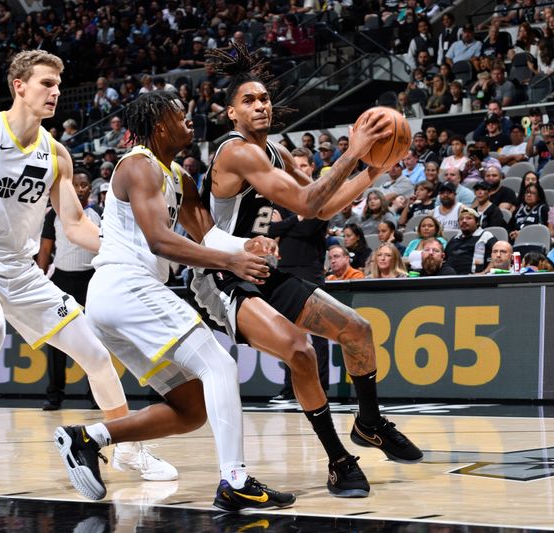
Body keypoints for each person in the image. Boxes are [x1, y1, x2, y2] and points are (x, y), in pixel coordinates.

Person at [0, 51, 172, 495]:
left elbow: (74, 224)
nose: (55, 92)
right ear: (20, 86)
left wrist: (126, 250)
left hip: (23, 272)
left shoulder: (57, 154)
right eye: (47, 83)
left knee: (96, 353)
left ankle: (126, 447)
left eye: (57, 85)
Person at [193, 43, 423, 499]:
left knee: (358, 331)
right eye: (248, 101)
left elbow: (324, 205)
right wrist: (355, 151)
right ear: (231, 114)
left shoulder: (274, 152)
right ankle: (339, 461)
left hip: (260, 270)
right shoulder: (236, 152)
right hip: (220, 273)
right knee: (300, 350)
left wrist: (376, 169)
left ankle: (370, 423)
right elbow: (307, 203)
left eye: (264, 99)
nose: (260, 105)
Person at [54, 92, 295, 509]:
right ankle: (234, 480)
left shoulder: (176, 176)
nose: (189, 119)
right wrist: (231, 262)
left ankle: (89, 438)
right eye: (179, 114)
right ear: (160, 124)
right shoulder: (137, 165)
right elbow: (160, 241)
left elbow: (206, 234)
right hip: (127, 286)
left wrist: (245, 244)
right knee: (218, 364)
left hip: (117, 301)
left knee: (190, 408)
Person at [267, 147, 331, 403]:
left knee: (320, 335)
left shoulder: (320, 197)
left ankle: (321, 390)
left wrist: (285, 224)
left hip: (310, 271)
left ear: (311, 168)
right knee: (287, 336)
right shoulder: (277, 197)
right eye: (296, 165)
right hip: (282, 272)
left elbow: (309, 229)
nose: (300, 170)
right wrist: (296, 219)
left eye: (304, 166)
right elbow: (267, 229)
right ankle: (289, 389)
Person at [36, 169, 101, 412]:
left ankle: (97, 395)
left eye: (85, 185)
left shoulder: (99, 215)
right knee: (57, 339)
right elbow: (45, 250)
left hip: (91, 280)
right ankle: (54, 395)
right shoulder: (54, 214)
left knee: (95, 340)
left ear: (90, 189)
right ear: (69, 188)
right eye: (76, 184)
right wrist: (41, 278)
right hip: (62, 280)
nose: (81, 188)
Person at [444, 206, 497, 274]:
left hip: (474, 279)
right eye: (461, 219)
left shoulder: (486, 236)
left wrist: (483, 273)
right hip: (450, 278)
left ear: (477, 222)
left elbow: (497, 258)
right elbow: (445, 259)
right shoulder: (454, 238)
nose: (464, 221)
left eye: (469, 218)